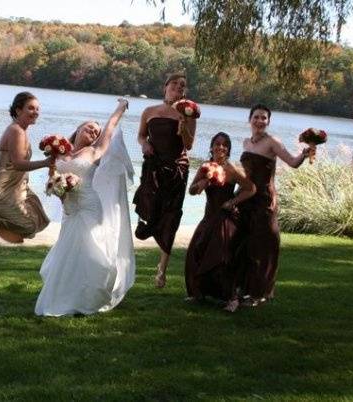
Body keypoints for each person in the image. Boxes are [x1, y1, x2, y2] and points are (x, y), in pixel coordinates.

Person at [35, 99, 135, 317]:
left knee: (92, 253)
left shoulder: (95, 151)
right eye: (89, 126)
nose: (92, 130)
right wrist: (57, 188)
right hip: (69, 207)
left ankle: (89, 298)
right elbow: (52, 177)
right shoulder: (59, 151)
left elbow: (110, 127)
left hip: (90, 204)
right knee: (68, 252)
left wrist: (121, 107)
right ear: (79, 128)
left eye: (95, 131)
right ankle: (66, 297)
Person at [238, 104, 315, 306]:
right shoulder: (246, 142)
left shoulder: (272, 142)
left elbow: (292, 162)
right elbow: (246, 173)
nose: (260, 121)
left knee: (263, 244)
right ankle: (244, 288)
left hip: (264, 198)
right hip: (246, 198)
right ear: (250, 119)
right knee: (245, 244)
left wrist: (305, 154)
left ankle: (259, 293)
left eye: (264, 118)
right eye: (256, 117)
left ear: (268, 122)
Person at [133, 72, 197, 288]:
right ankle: (150, 226)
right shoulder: (149, 112)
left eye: (183, 85)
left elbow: (189, 145)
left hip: (177, 169)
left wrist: (183, 128)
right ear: (165, 86)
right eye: (175, 84)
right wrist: (144, 144)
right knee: (150, 205)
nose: (179, 87)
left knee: (171, 215)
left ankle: (162, 269)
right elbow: (141, 135)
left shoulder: (188, 112)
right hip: (153, 167)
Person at [184, 132, 255, 312]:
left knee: (222, 257)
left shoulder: (232, 169)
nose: (220, 147)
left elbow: (251, 189)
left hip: (225, 218)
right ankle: (198, 293)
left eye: (225, 145)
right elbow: (192, 191)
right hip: (209, 217)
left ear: (229, 149)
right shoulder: (204, 167)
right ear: (212, 146)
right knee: (197, 250)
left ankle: (232, 299)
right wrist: (203, 182)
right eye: (217, 143)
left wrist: (232, 202)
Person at [0, 92, 51, 244]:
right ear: (18, 110)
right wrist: (46, 162)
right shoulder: (16, 130)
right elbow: (18, 164)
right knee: (28, 226)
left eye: (38, 109)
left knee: (39, 220)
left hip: (15, 187)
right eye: (31, 108)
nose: (36, 112)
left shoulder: (22, 130)